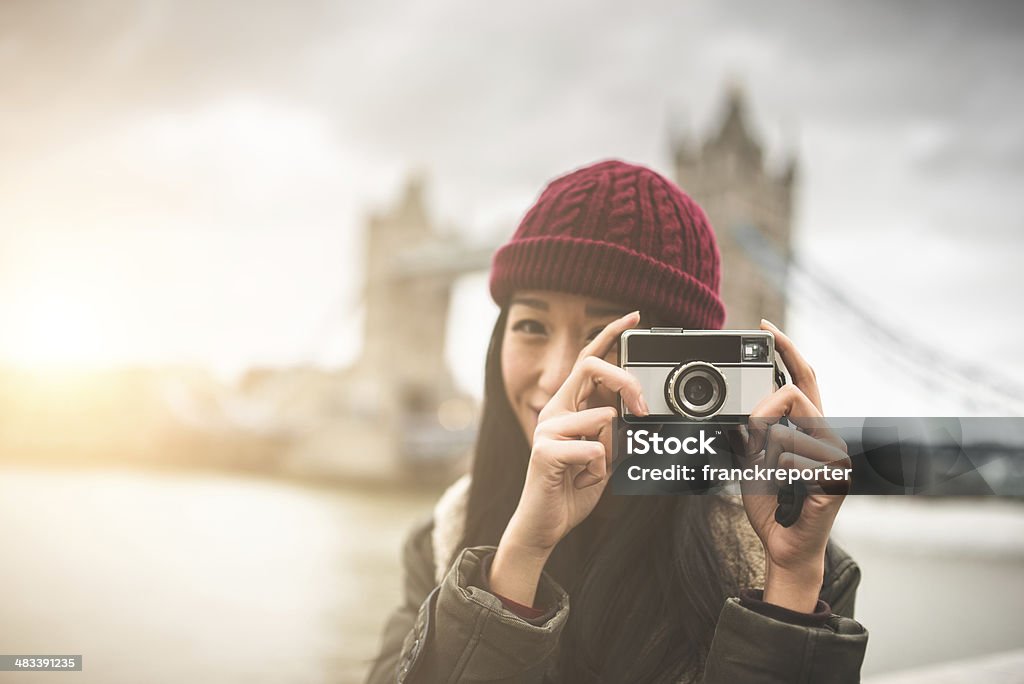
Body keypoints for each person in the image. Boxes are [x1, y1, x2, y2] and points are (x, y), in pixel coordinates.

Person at [367, 160, 867, 683]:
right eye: (532, 325)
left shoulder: (799, 566)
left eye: (608, 338)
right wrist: (518, 559)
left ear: (687, 364)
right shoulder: (440, 543)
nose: (563, 374)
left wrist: (788, 586)